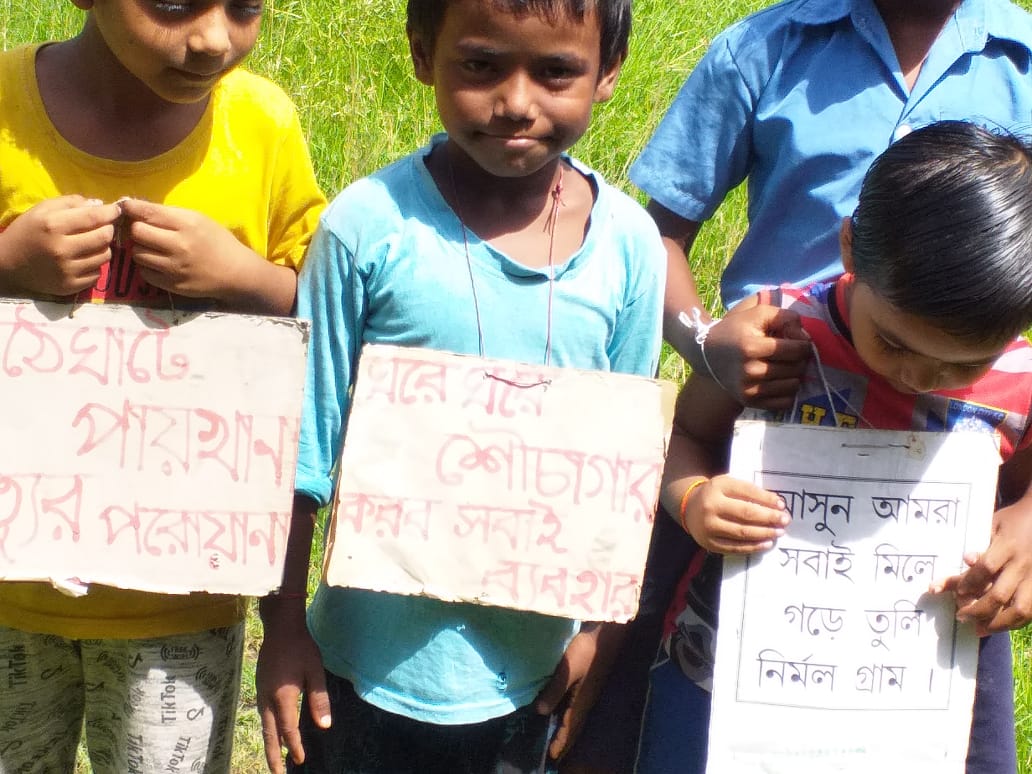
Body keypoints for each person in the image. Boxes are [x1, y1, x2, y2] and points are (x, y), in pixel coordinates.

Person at [565, 3, 1032, 770]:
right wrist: (709, 351)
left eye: (953, 366)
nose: (916, 375)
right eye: (894, 346)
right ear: (851, 245)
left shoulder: (1011, 382)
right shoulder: (766, 49)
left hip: (919, 655)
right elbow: (661, 256)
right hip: (752, 553)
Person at [255, 1, 665, 773]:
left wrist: (592, 633)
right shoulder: (367, 228)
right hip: (358, 668)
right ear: (421, 54)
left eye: (556, 72)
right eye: (481, 65)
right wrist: (281, 629)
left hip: (530, 675)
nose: (515, 102)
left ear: (608, 72)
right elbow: (300, 449)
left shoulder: (629, 248)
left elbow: (621, 469)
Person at [0, 1, 325, 772]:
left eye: (245, 7)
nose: (212, 38)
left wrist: (243, 278)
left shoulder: (262, 126)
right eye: (174, 3)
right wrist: (8, 264)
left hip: (180, 597)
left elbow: (326, 310)